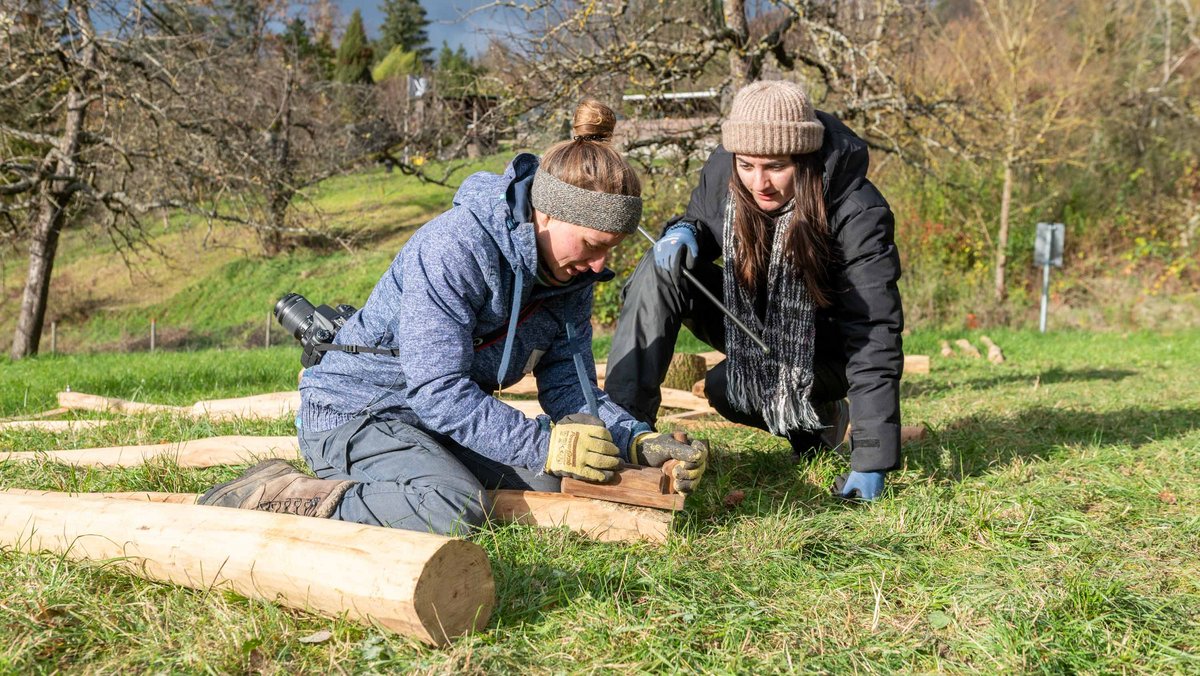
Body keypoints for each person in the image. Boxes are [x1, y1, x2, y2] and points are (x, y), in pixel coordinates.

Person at [199, 100, 707, 534]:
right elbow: (438, 390)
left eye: (610, 250)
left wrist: (635, 440)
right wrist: (546, 443)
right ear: (546, 213)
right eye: (593, 245)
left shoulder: (570, 275)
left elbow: (570, 390)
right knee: (452, 508)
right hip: (361, 412)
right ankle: (278, 493)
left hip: (438, 423)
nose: (600, 267)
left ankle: (425, 470)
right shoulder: (454, 247)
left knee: (570, 477)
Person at [604, 80, 904, 501]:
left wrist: (871, 460)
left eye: (775, 167)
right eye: (746, 165)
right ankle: (625, 435)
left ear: (803, 158)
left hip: (824, 350)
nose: (757, 183)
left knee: (728, 389)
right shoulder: (725, 170)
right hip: (754, 324)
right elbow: (705, 223)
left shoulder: (857, 212)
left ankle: (818, 417)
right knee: (660, 269)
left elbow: (874, 334)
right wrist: (686, 231)